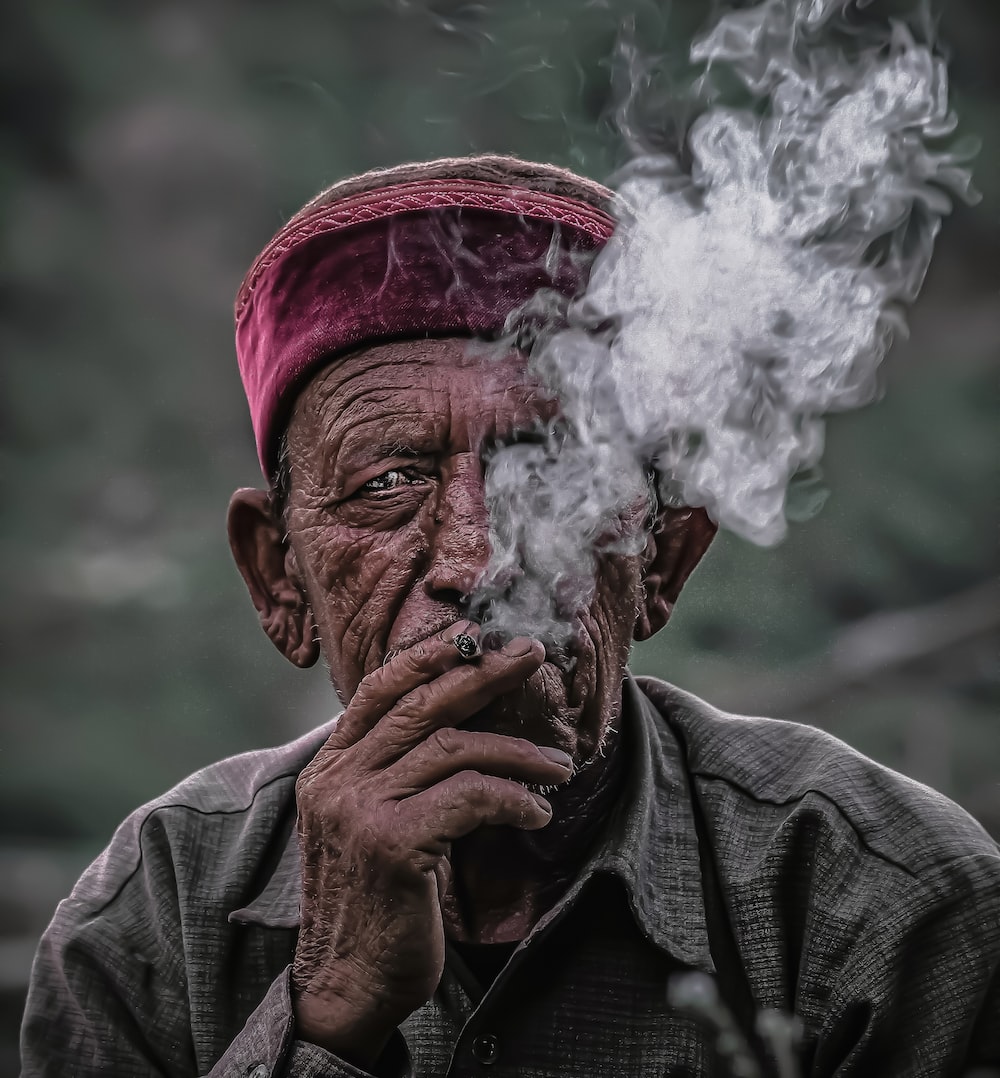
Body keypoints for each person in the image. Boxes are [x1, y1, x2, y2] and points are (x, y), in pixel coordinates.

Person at [20, 156, 1000, 1078]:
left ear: (660, 558)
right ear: (280, 578)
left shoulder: (892, 903)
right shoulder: (145, 922)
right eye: (388, 481)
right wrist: (330, 1007)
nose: (471, 558)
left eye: (554, 476)